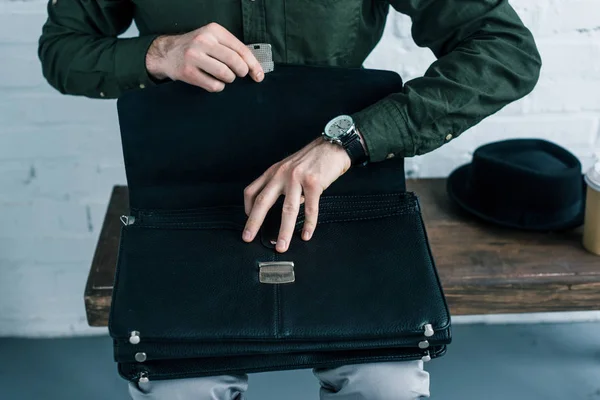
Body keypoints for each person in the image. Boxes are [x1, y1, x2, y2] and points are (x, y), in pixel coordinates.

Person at [38, 1, 541, 399]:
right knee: (180, 386)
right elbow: (62, 50)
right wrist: (159, 51)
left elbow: (504, 50)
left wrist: (351, 140)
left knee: (385, 384)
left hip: (340, 184)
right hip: (188, 198)